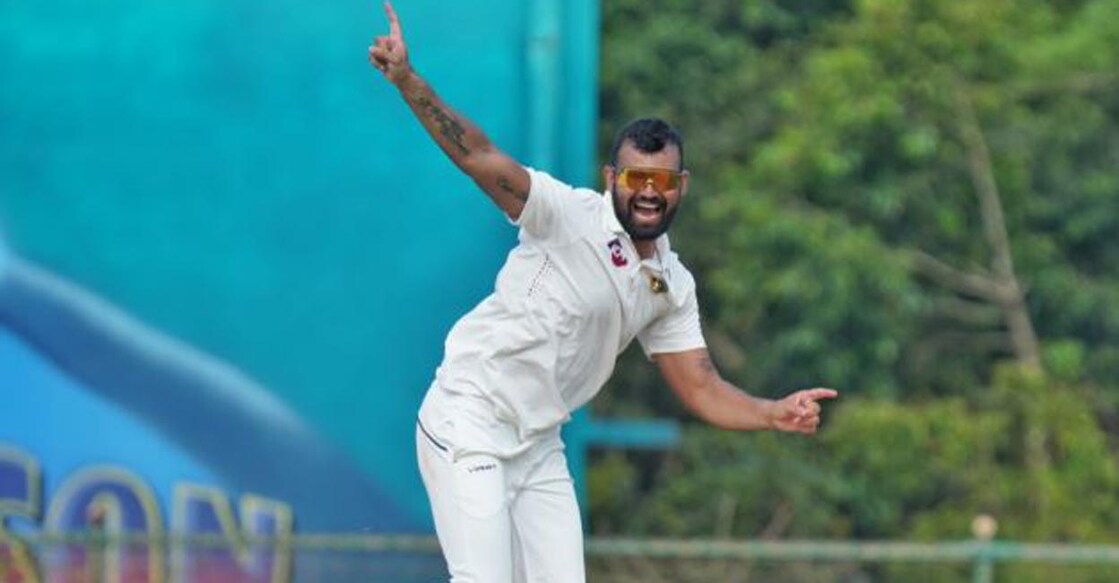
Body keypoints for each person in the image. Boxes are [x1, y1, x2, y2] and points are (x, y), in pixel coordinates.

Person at [370, 3, 838, 581]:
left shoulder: (672, 285)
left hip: (538, 443)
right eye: (636, 178)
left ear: (680, 188)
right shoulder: (567, 215)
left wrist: (772, 413)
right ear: (611, 178)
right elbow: (478, 156)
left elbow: (701, 386)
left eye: (662, 181)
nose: (649, 192)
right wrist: (409, 81)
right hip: (471, 418)